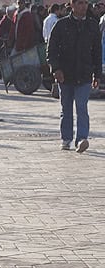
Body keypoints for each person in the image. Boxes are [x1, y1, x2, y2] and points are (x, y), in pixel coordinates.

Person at [47, 0, 102, 153]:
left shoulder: (92, 26)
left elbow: (97, 52)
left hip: (84, 74)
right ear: (72, 5)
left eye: (85, 3)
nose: (83, 6)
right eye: (79, 3)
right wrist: (56, 69)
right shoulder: (61, 25)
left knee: (82, 108)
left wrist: (97, 74)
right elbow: (51, 50)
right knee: (66, 108)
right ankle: (66, 138)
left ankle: (81, 139)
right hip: (65, 74)